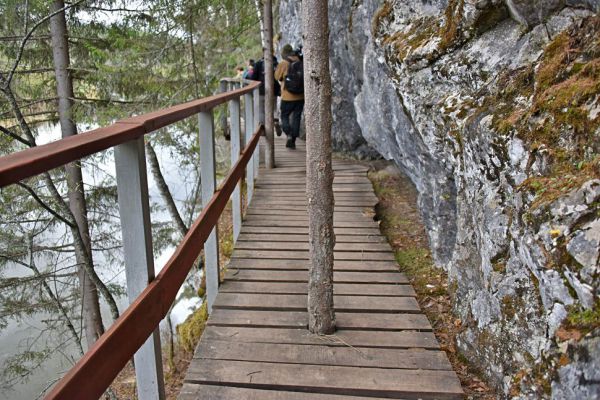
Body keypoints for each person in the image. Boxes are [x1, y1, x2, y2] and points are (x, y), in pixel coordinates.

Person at [275, 44, 304, 149]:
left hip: (287, 96)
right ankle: (294, 139)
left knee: (284, 116)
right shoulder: (301, 60)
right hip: (301, 95)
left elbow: (277, 76)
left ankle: (289, 134)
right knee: (296, 117)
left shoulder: (284, 63)